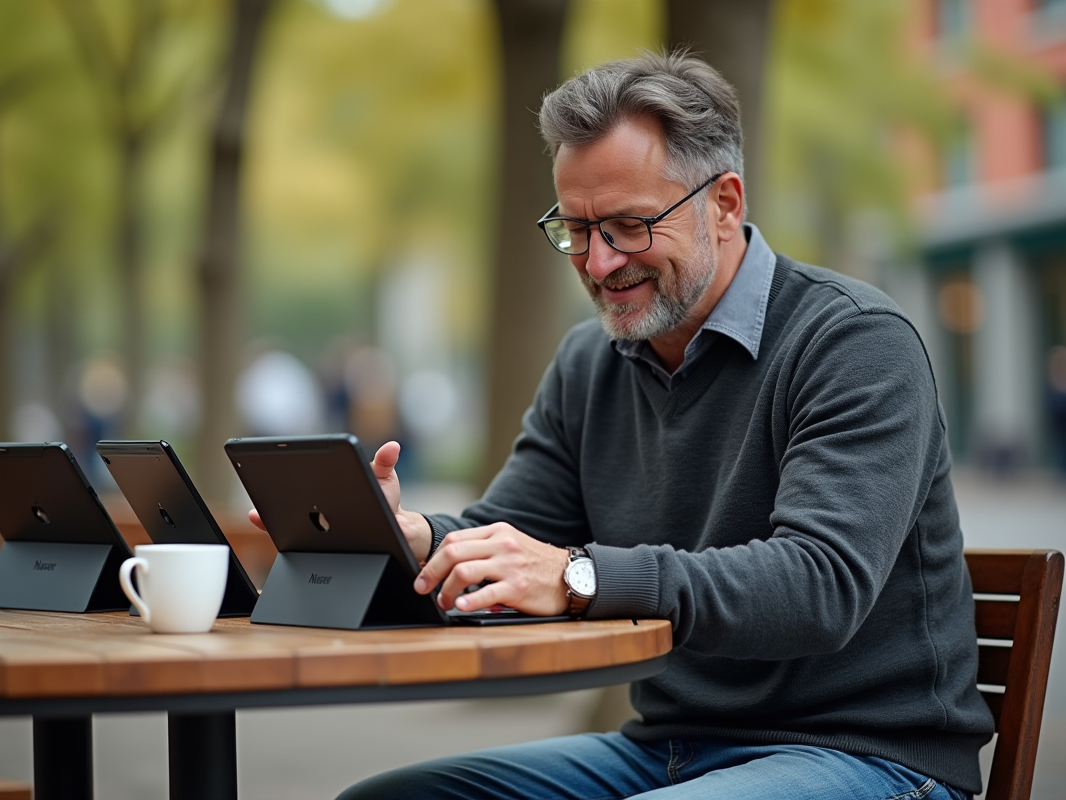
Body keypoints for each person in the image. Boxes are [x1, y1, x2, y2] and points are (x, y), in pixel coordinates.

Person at [254, 50, 994, 799]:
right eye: (575, 229)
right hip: (666, 749)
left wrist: (580, 576)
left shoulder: (855, 342)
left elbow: (820, 586)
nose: (599, 263)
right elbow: (513, 536)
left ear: (726, 204)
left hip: (866, 755)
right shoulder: (591, 360)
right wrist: (415, 540)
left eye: (629, 226)